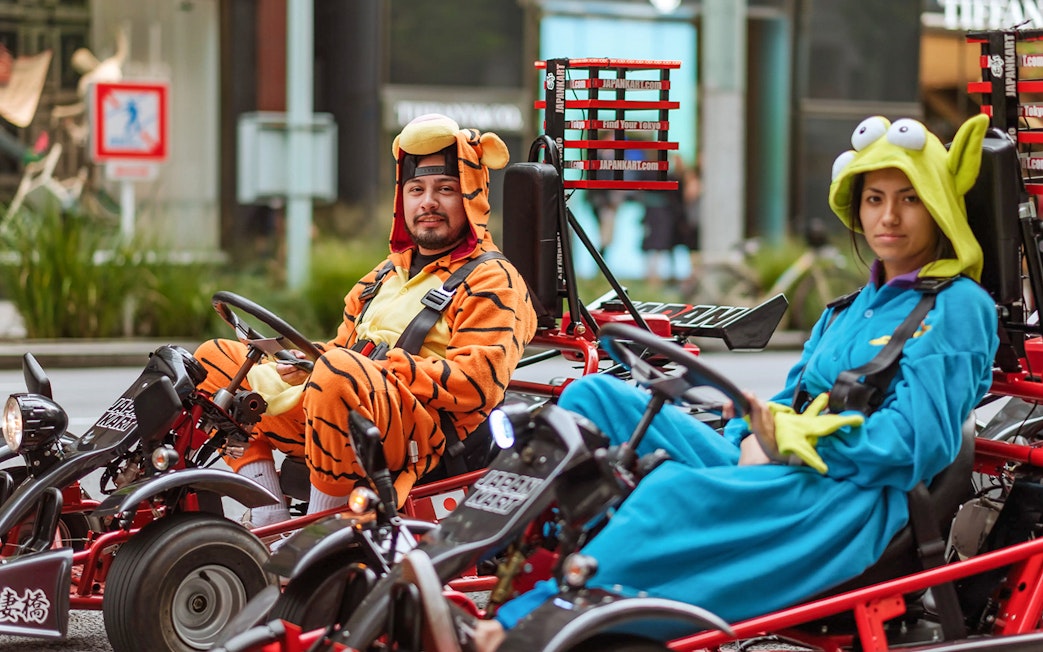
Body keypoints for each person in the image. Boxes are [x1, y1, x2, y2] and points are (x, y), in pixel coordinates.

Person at [468, 114, 1000, 648]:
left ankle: (529, 620)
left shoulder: (956, 307)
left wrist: (785, 445)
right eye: (875, 198)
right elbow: (787, 400)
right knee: (591, 397)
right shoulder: (845, 311)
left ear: (936, 204)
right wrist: (746, 431)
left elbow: (915, 446)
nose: (890, 216)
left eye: (909, 198)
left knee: (671, 493)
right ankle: (473, 558)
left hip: (850, 500)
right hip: (786, 470)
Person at [194, 113, 538, 526]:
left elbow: (478, 384)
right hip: (344, 404)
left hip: (422, 437)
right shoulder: (381, 275)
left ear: (470, 197)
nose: (428, 201)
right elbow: (342, 350)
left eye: (445, 189)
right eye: (417, 190)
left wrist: (371, 368)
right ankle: (268, 519)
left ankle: (319, 538)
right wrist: (304, 361)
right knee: (215, 360)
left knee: (339, 372)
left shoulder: (494, 279)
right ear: (402, 200)